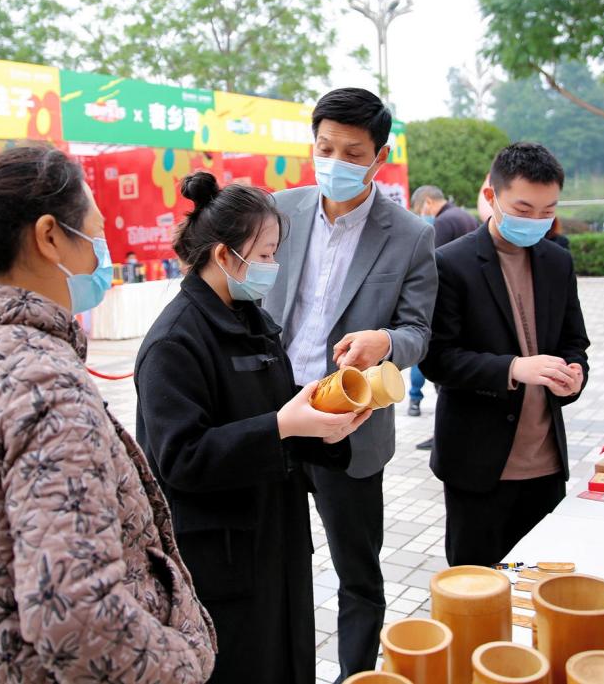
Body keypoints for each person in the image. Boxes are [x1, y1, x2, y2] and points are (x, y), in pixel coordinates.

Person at [0, 146, 215, 684]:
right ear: (49, 237)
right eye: (94, 231)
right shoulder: (44, 383)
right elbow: (79, 617)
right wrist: (186, 661)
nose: (102, 252)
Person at [136, 173, 370, 684]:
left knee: (288, 660)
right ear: (224, 257)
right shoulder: (174, 344)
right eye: (264, 255)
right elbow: (180, 459)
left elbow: (280, 415)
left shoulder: (252, 320)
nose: (272, 267)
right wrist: (280, 427)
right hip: (221, 562)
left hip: (278, 539)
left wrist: (327, 430)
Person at [265, 87, 437, 682]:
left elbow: (418, 331)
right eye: (325, 147)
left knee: (357, 573)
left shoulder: (410, 234)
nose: (335, 161)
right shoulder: (278, 211)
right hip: (276, 419)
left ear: (378, 156)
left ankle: (355, 674)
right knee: (274, 562)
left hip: (351, 429)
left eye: (352, 151)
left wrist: (385, 343)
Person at [421, 143, 590, 567]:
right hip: (479, 467)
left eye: (547, 210)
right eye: (524, 207)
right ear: (491, 196)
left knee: (543, 590)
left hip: (546, 463)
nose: (536, 220)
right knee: (476, 594)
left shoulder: (557, 261)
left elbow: (575, 342)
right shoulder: (450, 263)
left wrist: (575, 374)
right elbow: (437, 359)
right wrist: (514, 368)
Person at [407, 185, 479, 419]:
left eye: (419, 209)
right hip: (469, 304)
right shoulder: (465, 216)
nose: (421, 215)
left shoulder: (444, 222)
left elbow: (431, 266)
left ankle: (416, 400)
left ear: (428, 202)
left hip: (444, 304)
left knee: (423, 355)